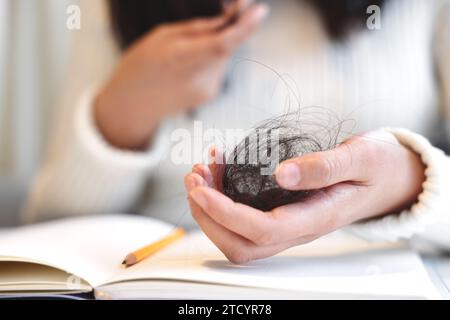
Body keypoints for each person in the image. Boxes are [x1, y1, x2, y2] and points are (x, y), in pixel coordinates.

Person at [25, 0, 450, 264]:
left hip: (383, 278)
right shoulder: (113, 7)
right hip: (165, 281)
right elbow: (55, 231)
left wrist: (411, 183)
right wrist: (124, 106)